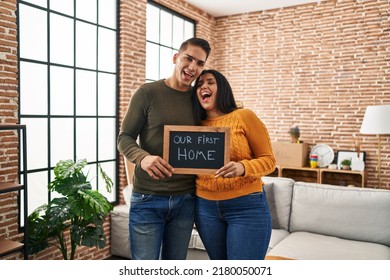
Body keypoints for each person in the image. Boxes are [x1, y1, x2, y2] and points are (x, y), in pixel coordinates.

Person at [117, 38, 211, 260]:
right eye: (189, 58)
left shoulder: (201, 100)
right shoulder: (147, 92)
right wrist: (143, 158)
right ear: (176, 58)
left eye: (200, 63)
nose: (193, 67)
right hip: (148, 197)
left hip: (186, 199)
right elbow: (124, 138)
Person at [192, 69, 276, 260]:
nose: (204, 86)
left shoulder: (244, 116)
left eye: (210, 82)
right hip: (205, 209)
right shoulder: (193, 124)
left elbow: (269, 161)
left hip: (246, 206)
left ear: (222, 88)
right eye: (199, 84)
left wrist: (242, 167)